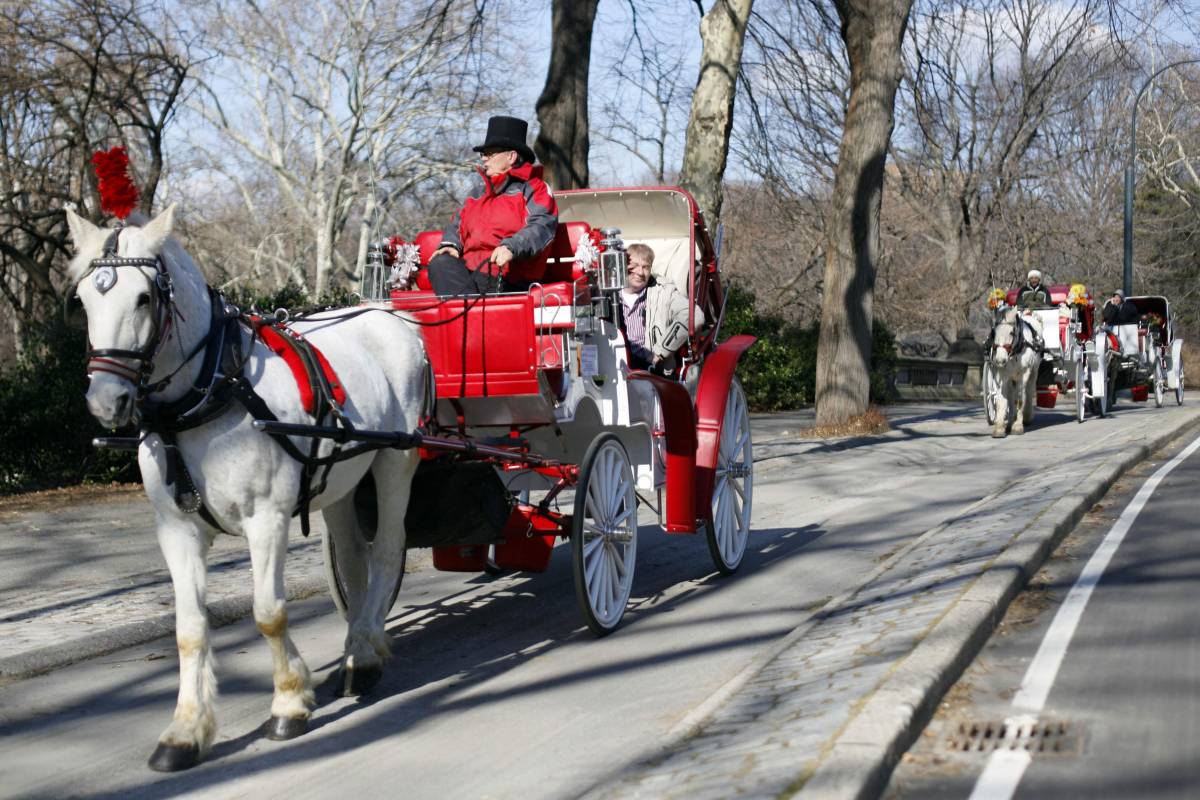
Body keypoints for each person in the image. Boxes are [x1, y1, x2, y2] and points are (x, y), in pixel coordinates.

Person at [429, 116, 558, 296]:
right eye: (483, 155)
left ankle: (465, 319)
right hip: (469, 275)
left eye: (490, 154)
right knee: (440, 263)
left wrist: (511, 247)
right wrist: (451, 244)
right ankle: (469, 318)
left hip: (507, 277)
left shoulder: (535, 189)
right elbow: (456, 225)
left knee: (480, 280)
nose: (484, 160)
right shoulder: (475, 194)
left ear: (511, 156)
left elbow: (541, 226)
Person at [616, 243, 704, 373]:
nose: (640, 272)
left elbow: (695, 316)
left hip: (646, 367)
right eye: (634, 266)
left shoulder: (664, 292)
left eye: (645, 267)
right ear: (623, 266)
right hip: (612, 362)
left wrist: (660, 352)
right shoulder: (607, 294)